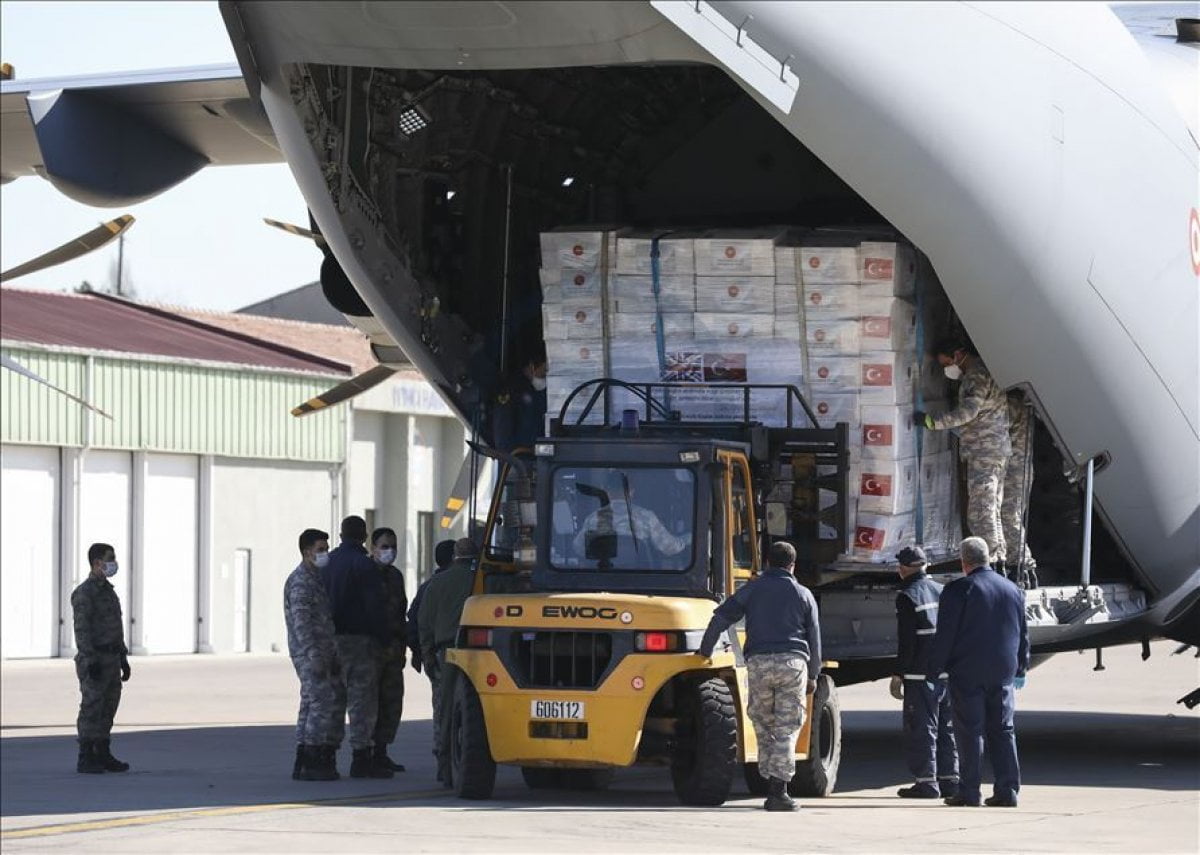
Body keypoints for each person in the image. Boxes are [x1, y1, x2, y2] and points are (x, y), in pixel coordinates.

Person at [698, 541, 822, 812]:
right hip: (793, 663)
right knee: (787, 727)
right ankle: (779, 790)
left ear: (766, 562)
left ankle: (771, 779)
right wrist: (813, 674)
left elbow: (721, 617)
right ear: (793, 565)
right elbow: (814, 639)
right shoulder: (803, 594)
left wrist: (704, 651)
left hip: (759, 663)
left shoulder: (752, 589)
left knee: (763, 723)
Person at [926, 536, 1030, 808]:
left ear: (964, 561)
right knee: (1004, 730)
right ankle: (1008, 791)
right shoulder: (1013, 589)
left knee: (970, 731)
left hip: (967, 672)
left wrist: (934, 671)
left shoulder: (959, 590)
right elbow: (1023, 634)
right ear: (988, 558)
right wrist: (1021, 667)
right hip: (1003, 673)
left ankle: (970, 791)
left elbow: (945, 635)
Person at [914, 339, 1012, 573]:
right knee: (991, 509)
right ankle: (999, 564)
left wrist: (933, 422)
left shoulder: (976, 375)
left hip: (984, 452)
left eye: (947, 362)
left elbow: (969, 411)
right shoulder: (984, 371)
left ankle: (989, 568)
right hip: (992, 450)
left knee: (980, 512)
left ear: (958, 354)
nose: (947, 368)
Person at [321, 515, 392, 779]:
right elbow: (374, 606)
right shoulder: (363, 565)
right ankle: (362, 757)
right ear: (364, 536)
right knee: (362, 700)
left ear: (340, 535)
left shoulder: (329, 563)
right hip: (359, 640)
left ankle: (327, 753)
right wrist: (384, 637)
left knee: (335, 698)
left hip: (331, 639)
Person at [891, 546, 959, 799]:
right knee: (947, 728)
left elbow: (907, 642)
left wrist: (898, 674)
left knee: (921, 728)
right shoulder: (943, 592)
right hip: (945, 674)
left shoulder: (907, 595)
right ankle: (950, 780)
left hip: (919, 676)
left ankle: (926, 782)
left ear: (904, 568)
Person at [284, 528, 345, 781]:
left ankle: (305, 757)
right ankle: (313, 757)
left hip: (324, 649)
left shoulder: (316, 577)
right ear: (307, 551)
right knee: (320, 702)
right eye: (320, 549)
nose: (325, 554)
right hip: (310, 652)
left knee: (311, 702)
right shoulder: (301, 581)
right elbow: (301, 623)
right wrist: (312, 654)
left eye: (326, 549)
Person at [417, 537, 479, 786]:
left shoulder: (438, 582)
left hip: (446, 653)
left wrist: (427, 654)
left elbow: (424, 622)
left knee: (445, 713)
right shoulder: (483, 581)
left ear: (455, 555)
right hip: (479, 653)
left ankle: (445, 768)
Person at [71, 543, 132, 774]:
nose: (113, 563)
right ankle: (86, 756)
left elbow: (115, 627)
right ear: (97, 563)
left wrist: (123, 657)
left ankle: (103, 752)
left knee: (109, 707)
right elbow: (82, 630)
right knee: (91, 708)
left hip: (112, 658)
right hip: (95, 659)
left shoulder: (108, 591)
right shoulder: (84, 594)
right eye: (109, 559)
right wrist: (89, 660)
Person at [570, 471, 687, 562]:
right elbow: (670, 547)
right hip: (640, 582)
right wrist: (688, 539)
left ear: (606, 491)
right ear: (631, 492)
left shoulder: (593, 518)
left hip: (601, 580)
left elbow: (579, 548)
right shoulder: (646, 517)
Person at [370, 527, 408, 773]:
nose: (389, 551)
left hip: (393, 650)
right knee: (369, 703)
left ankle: (382, 751)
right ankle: (366, 752)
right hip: (371, 650)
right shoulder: (365, 573)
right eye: (384, 546)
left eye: (393, 546)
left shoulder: (395, 576)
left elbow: (400, 611)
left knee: (392, 702)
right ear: (372, 548)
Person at [1001, 391, 1038, 588]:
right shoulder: (1021, 405)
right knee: (1010, 517)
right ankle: (1018, 562)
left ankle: (1022, 564)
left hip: (1015, 470)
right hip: (1017, 468)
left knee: (1009, 516)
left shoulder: (1012, 405)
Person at [492, 348, 548, 453]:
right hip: (519, 456)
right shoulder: (512, 391)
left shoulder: (539, 391)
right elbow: (503, 429)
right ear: (532, 366)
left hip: (538, 454)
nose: (546, 376)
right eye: (544, 371)